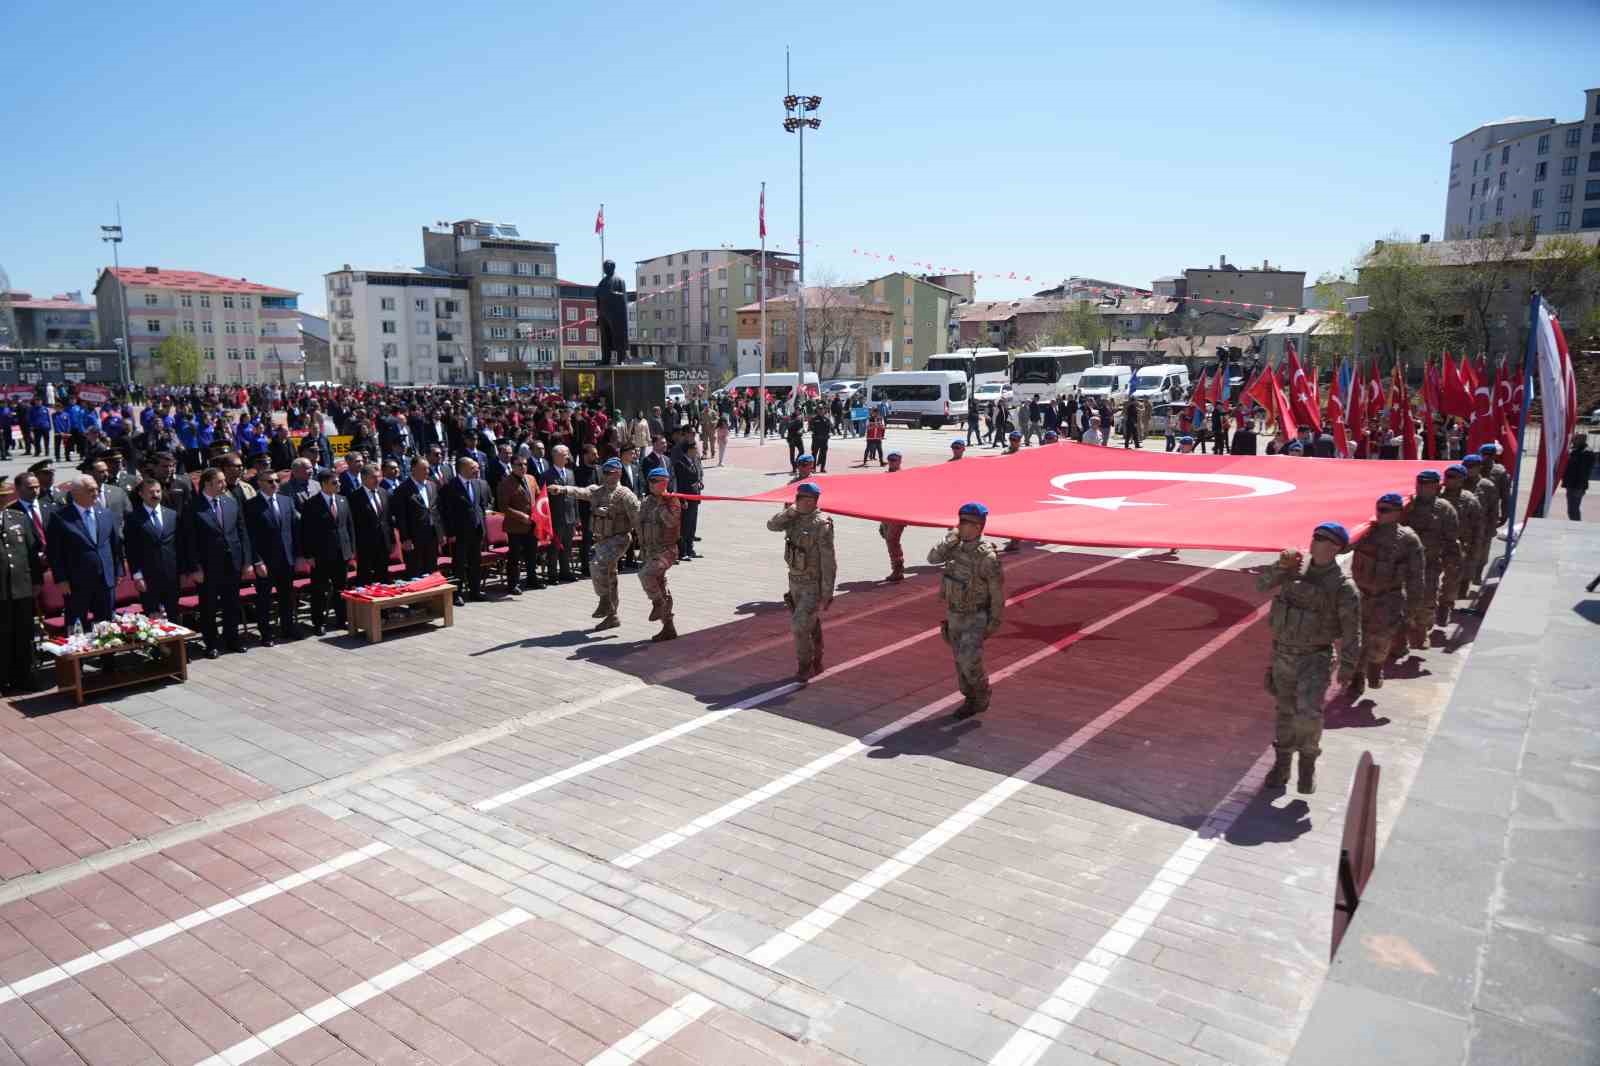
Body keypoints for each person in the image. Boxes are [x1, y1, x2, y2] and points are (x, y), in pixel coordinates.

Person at [1256, 522, 1362, 795]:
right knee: (1284, 712)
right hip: (1283, 656)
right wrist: (1281, 566)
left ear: (1337, 547)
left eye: (1323, 539)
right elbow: (1261, 584)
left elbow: (1352, 631)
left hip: (1314, 660)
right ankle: (1282, 766)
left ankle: (1307, 766)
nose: (1316, 543)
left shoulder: (1342, 586)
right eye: (1315, 537)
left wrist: (1348, 667)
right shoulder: (1294, 569)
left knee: (1309, 716)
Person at [927, 502, 1005, 720]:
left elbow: (997, 592)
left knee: (968, 660)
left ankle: (981, 694)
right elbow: (932, 558)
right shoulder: (953, 547)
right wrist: (950, 538)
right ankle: (970, 699)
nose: (965, 527)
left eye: (971, 523)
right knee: (959, 661)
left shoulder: (986, 556)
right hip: (954, 613)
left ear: (980, 527)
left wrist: (995, 621)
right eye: (962, 522)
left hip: (975, 615)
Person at [550, 457, 639, 630]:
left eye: (610, 473)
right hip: (603, 540)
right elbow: (580, 492)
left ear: (619, 473)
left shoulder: (626, 495)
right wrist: (561, 489)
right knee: (609, 576)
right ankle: (612, 616)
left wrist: (647, 545)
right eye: (604, 473)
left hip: (619, 539)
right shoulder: (598, 491)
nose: (606, 476)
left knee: (597, 564)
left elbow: (638, 519)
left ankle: (605, 600)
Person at [1350, 493, 1424, 688]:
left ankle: (1375, 667)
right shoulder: (1365, 532)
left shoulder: (1408, 539)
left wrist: (1412, 611)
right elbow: (1342, 546)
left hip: (1388, 598)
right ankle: (1357, 676)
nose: (1380, 513)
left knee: (1381, 639)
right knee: (1357, 638)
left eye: (1385, 510)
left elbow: (1416, 576)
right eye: (1378, 508)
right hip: (1361, 596)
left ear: (1398, 513)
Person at [766, 481, 836, 681]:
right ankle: (817, 659)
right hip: (794, 582)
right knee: (809, 624)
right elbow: (771, 526)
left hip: (812, 585)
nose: (800, 503)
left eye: (805, 500)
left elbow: (829, 561)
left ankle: (804, 665)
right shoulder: (792, 517)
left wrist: (827, 592)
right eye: (798, 499)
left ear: (814, 501)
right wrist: (790, 512)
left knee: (798, 625)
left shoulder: (821, 524)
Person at [182, 468, 252, 657]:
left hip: (232, 563)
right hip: (207, 566)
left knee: (232, 604)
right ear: (207, 484)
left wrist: (247, 561)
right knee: (209, 607)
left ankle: (232, 640)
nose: (224, 484)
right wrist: (195, 567)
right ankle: (211, 643)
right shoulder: (193, 506)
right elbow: (189, 540)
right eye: (219, 481)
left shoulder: (231, 502)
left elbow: (241, 531)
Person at [47, 474, 124, 632]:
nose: (96, 493)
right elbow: (55, 553)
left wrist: (118, 571)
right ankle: (79, 657)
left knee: (106, 624)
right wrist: (61, 579)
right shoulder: (60, 517)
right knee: (77, 626)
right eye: (90, 490)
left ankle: (107, 656)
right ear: (75, 492)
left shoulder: (106, 513)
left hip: (105, 580)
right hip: (76, 582)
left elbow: (115, 545)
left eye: (96, 489)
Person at [244, 469, 301, 645]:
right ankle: (266, 633)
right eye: (270, 481)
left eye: (277, 480)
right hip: (265, 562)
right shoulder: (251, 505)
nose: (275, 484)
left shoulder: (287, 501)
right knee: (264, 600)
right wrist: (257, 560)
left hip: (286, 559)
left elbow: (294, 531)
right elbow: (249, 537)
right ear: (260, 483)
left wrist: (298, 555)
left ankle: (287, 628)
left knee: (286, 596)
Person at [1402, 470, 1461, 638]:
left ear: (1435, 487)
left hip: (1430, 563)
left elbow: (1451, 539)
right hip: (1406, 563)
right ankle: (1403, 636)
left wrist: (1452, 565)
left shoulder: (1444, 509)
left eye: (1426, 486)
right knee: (1402, 601)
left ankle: (1421, 631)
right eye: (1419, 485)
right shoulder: (1408, 505)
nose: (1421, 489)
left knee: (1427, 600)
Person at [0, 488, 44, 692]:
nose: (2, 501)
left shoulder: (18, 517)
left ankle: (24, 677)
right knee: (3, 635)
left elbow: (32, 554)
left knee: (24, 634)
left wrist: (36, 581)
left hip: (22, 588)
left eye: (3, 497)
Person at [123, 479, 182, 623]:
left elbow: (179, 545)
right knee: (153, 618)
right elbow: (132, 550)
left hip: (171, 575)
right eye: (150, 492)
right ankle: (159, 646)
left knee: (173, 615)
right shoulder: (133, 518)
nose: (155, 495)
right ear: (141, 494)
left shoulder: (171, 515)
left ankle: (177, 645)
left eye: (158, 491)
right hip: (148, 576)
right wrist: (137, 576)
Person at [637, 468, 681, 642]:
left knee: (646, 575)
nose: (651, 484)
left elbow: (672, 523)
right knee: (660, 585)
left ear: (664, 482)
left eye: (655, 481)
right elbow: (639, 522)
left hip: (667, 551)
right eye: (650, 481)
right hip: (650, 550)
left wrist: (663, 504)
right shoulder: (647, 501)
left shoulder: (672, 501)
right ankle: (668, 627)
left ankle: (658, 603)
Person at [495, 455, 545, 594]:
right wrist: (521, 516)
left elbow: (539, 497)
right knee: (515, 557)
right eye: (519, 465)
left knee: (531, 553)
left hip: (532, 524)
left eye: (524, 464)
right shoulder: (505, 483)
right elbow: (503, 506)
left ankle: (532, 579)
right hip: (515, 526)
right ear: (512, 466)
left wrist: (539, 513)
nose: (523, 467)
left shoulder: (531, 479)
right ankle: (513, 584)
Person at [393, 457, 443, 578]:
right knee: (416, 570)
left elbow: (436, 511)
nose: (427, 471)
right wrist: (405, 538)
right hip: (414, 537)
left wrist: (441, 533)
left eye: (428, 468)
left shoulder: (432, 485)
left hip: (432, 534)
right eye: (423, 469)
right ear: (413, 469)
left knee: (432, 568)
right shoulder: (403, 489)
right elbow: (401, 516)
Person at [1442, 465, 1484, 602]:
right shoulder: (1439, 495)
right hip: (1439, 544)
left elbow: (1478, 527)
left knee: (1454, 579)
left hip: (1460, 546)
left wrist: (1475, 550)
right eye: (1447, 476)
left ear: (1462, 480)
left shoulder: (1469, 500)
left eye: (1453, 477)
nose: (1449, 480)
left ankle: (1448, 604)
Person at [349, 466, 395, 586]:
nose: (377, 480)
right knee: (365, 578)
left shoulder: (384, 493)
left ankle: (385, 602)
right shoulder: (354, 497)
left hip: (383, 542)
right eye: (373, 477)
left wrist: (392, 540)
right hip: (365, 545)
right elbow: (352, 523)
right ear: (364, 478)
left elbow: (388, 519)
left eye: (379, 476)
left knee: (383, 576)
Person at [1461, 455, 1498, 589]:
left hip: (1482, 528)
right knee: (1464, 559)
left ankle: (1478, 575)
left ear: (1479, 467)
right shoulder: (1460, 482)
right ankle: (1463, 586)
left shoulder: (1486, 485)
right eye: (1466, 467)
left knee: (1481, 557)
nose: (1468, 470)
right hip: (1464, 528)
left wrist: (1492, 528)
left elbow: (1494, 508)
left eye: (1471, 467)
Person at [542, 446, 578, 583]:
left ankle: (565, 572)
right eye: (564, 455)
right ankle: (552, 575)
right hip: (555, 518)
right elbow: (544, 500)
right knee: (554, 548)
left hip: (569, 516)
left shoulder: (570, 473)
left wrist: (576, 517)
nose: (567, 457)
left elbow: (574, 495)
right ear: (556, 456)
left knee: (567, 547)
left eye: (567, 454)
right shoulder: (547, 475)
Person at [672, 439, 703, 561]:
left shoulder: (693, 462)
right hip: (686, 500)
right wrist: (682, 499)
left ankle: (690, 549)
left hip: (695, 498)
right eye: (695, 448)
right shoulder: (680, 464)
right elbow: (681, 484)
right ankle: (682, 551)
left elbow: (695, 478)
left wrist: (699, 485)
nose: (697, 451)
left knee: (692, 526)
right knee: (685, 526)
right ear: (689, 450)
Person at [879, 451, 907, 582]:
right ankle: (896, 567)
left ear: (900, 460)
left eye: (894, 460)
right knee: (890, 541)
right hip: (885, 514)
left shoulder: (904, 476)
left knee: (892, 540)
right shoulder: (884, 476)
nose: (892, 462)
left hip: (897, 515)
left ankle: (898, 568)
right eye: (890, 459)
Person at [1479, 443, 1511, 529]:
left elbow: (1505, 496)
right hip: (1473, 512)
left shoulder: (1500, 472)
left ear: (1494, 456)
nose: (1486, 457)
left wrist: (1505, 515)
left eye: (1489, 454)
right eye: (1484, 454)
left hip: (1490, 513)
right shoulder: (1474, 467)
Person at [1562, 432, 1592, 520]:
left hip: (1578, 486)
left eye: (1576, 439)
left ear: (1582, 440)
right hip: (1572, 484)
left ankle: (1576, 525)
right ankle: (1575, 524)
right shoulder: (1576, 450)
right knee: (1571, 509)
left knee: (1573, 509)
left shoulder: (1586, 453)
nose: (1573, 441)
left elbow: (1581, 470)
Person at [808, 406, 832, 473]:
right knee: (814, 454)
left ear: (824, 410)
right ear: (817, 410)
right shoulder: (814, 419)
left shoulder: (826, 419)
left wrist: (828, 434)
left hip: (824, 440)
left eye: (822, 409)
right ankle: (813, 468)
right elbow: (810, 428)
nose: (821, 411)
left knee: (824, 454)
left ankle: (822, 468)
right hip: (816, 439)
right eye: (820, 409)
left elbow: (829, 428)